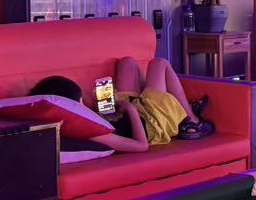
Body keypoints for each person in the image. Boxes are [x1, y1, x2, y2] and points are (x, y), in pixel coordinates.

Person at [31, 57, 211, 155]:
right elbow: (141, 146)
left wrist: (101, 107)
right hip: (152, 122)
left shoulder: (77, 120)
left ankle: (148, 94)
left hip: (127, 110)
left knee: (127, 63)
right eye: (80, 102)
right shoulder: (93, 133)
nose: (83, 104)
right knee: (159, 64)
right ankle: (192, 120)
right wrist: (130, 109)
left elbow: (111, 120)